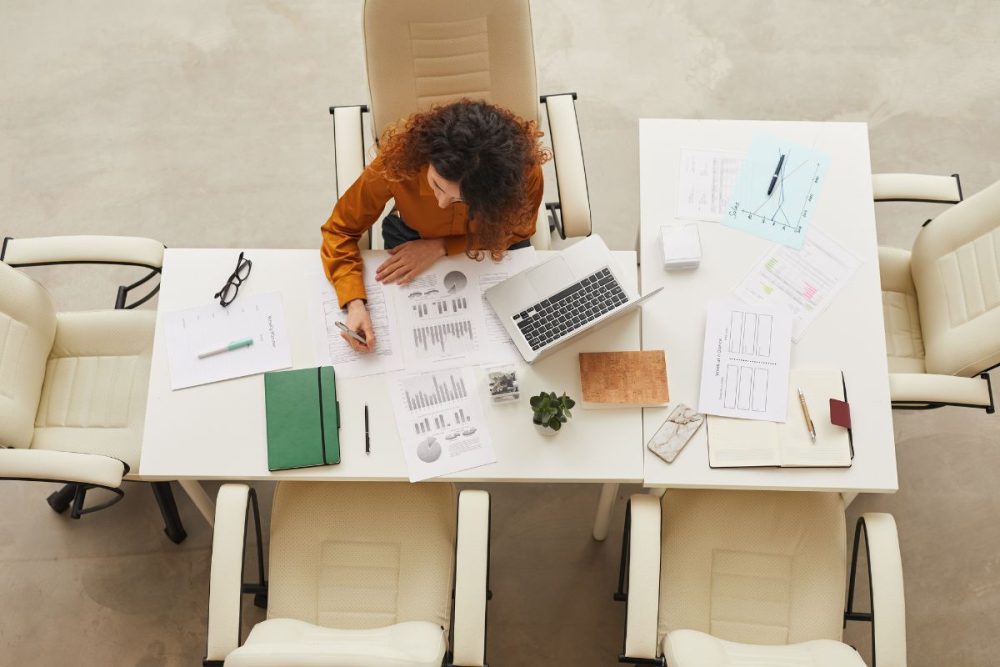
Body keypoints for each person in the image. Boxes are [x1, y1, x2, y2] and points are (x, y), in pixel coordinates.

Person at [321, 99, 549, 353]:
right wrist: (354, 303)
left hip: (489, 237)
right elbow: (339, 230)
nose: (442, 203)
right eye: (436, 185)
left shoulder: (522, 173)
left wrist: (442, 246)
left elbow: (519, 230)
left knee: (519, 340)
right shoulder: (397, 160)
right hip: (411, 235)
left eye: (462, 200)